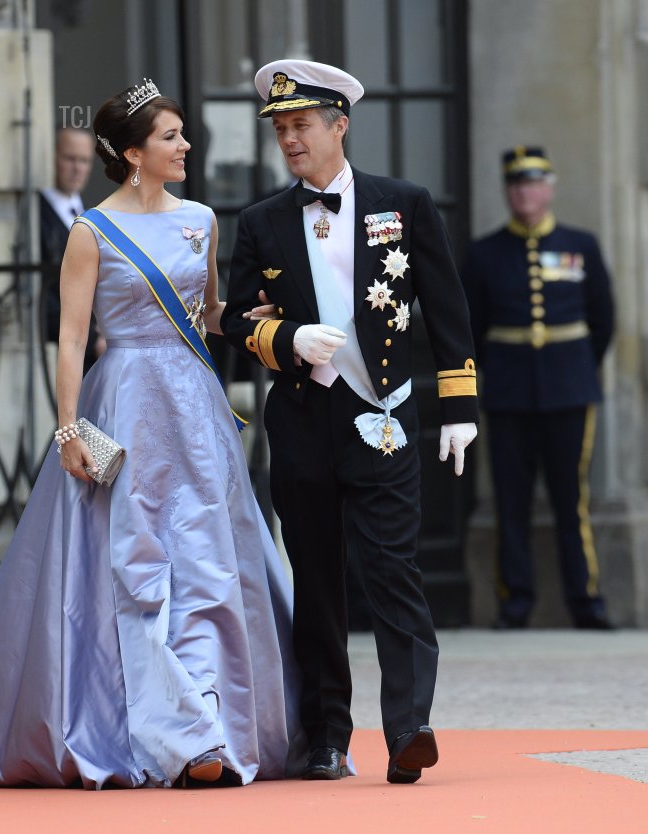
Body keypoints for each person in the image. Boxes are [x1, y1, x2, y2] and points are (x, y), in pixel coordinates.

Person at [0, 79, 303, 789]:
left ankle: (211, 727)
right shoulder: (90, 231)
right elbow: (70, 338)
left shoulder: (202, 220)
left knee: (208, 558)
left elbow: (208, 312)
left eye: (183, 135)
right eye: (170, 137)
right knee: (134, 560)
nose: (185, 146)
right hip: (122, 401)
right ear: (132, 153)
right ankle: (166, 733)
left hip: (194, 401)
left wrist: (254, 319)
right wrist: (68, 430)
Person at [221, 60, 480, 785]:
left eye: (302, 126)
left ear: (340, 125)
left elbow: (448, 310)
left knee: (393, 570)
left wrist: (459, 409)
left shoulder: (405, 202)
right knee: (319, 583)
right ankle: (328, 736)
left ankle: (409, 729)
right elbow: (237, 319)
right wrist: (286, 340)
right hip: (304, 419)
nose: (291, 141)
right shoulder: (262, 221)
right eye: (281, 130)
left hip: (385, 414)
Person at [460, 146, 616, 631]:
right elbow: (472, 328)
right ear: (508, 192)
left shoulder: (581, 245)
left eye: (532, 183)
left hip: (570, 391)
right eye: (516, 185)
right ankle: (516, 603)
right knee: (511, 502)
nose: (524, 192)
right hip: (507, 395)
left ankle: (585, 603)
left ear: (549, 188)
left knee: (573, 502)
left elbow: (603, 321)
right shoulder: (484, 254)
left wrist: (575, 371)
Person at [40, 127, 102, 369]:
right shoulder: (38, 215)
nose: (78, 168)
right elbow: (47, 293)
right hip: (68, 352)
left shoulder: (88, 213)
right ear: (53, 158)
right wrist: (93, 341)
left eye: (84, 160)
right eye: (70, 158)